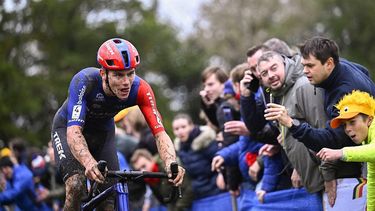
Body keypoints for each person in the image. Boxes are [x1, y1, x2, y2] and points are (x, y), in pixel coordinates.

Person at [50, 38, 185, 210]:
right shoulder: (85, 81)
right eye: (118, 75)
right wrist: (89, 163)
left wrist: (170, 163)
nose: (126, 82)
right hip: (68, 129)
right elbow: (74, 131)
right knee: (76, 185)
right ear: (103, 73)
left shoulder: (141, 89)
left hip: (103, 132)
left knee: (109, 199)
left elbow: (159, 133)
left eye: (130, 73)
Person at [317, 90, 372, 210]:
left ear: (369, 120)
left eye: (352, 122)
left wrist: (340, 153)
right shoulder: (365, 138)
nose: (347, 129)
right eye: (344, 125)